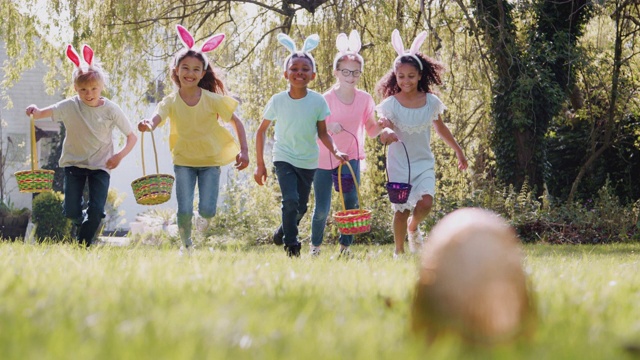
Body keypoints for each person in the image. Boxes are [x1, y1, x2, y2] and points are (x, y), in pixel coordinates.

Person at [138, 25, 249, 251]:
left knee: (208, 209)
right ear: (176, 70)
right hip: (184, 161)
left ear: (203, 73)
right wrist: (148, 124)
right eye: (185, 68)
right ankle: (186, 246)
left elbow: (236, 121)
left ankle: (203, 219)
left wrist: (244, 151)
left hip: (210, 160)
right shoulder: (170, 100)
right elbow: (157, 117)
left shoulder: (211, 99)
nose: (190, 73)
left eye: (196, 69)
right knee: (184, 209)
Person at [25, 44, 137, 247]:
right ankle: (82, 225)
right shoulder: (69, 106)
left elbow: (132, 137)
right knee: (71, 211)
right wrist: (34, 109)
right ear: (75, 88)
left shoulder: (111, 109)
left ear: (101, 86)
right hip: (74, 164)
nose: (89, 93)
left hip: (101, 165)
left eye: (94, 88)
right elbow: (42, 113)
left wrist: (118, 156)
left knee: (96, 211)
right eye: (83, 89)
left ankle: (83, 246)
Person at [254, 33, 348, 257]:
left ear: (313, 75)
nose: (299, 72)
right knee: (290, 200)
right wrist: (260, 164)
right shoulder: (277, 100)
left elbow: (323, 133)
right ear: (286, 73)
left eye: (305, 69)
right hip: (283, 156)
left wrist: (335, 150)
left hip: (307, 160)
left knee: (301, 207)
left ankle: (283, 231)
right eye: (294, 68)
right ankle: (292, 245)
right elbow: (261, 130)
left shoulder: (318, 101)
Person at [375, 29, 468, 257]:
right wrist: (385, 130)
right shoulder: (390, 104)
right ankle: (399, 252)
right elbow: (383, 125)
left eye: (410, 76)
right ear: (395, 77)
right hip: (399, 163)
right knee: (401, 209)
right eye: (401, 76)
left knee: (426, 203)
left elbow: (440, 128)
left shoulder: (430, 102)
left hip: (423, 162)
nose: (406, 80)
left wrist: (458, 151)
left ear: (419, 76)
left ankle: (413, 227)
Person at [305, 30, 384, 258]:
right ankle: (315, 248)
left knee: (351, 205)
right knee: (322, 208)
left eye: (356, 72)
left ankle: (345, 248)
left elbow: (371, 130)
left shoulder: (365, 99)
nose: (351, 76)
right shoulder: (324, 99)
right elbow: (314, 130)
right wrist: (330, 127)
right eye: (346, 71)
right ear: (336, 72)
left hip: (350, 160)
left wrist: (384, 126)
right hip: (324, 160)